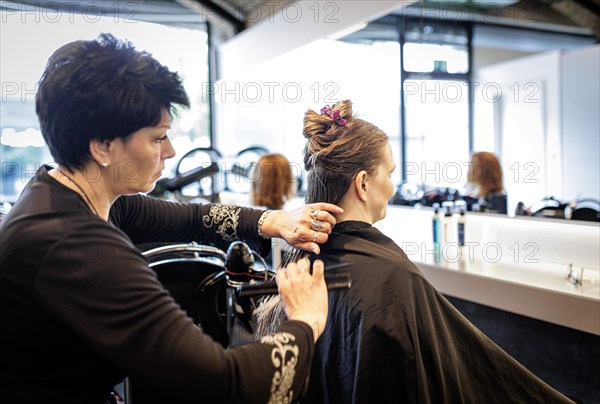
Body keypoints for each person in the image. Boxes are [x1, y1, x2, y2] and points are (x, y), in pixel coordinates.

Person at [0, 34, 343, 404]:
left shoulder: (68, 195)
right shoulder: (75, 247)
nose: (171, 151)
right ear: (102, 146)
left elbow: (195, 218)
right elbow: (221, 382)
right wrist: (306, 321)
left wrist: (275, 221)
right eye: (158, 137)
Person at [257, 100, 574, 403]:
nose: (393, 187)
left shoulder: (301, 259)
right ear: (363, 183)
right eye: (390, 173)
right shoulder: (390, 275)